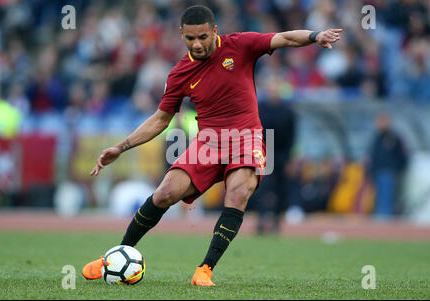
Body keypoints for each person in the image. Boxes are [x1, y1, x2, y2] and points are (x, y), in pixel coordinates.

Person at [82, 5, 342, 286]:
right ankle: (116, 255)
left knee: (238, 193)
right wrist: (121, 147)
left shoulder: (240, 45)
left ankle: (205, 269)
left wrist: (316, 35)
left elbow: (285, 38)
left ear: (214, 31)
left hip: (246, 138)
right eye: (190, 38)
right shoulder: (180, 73)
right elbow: (160, 120)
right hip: (208, 143)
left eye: (203, 37)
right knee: (164, 193)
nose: (197, 44)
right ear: (182, 34)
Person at [254, 80, 296, 235]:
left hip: (282, 155)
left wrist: (290, 159)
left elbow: (292, 136)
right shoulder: (259, 109)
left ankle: (277, 222)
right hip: (263, 154)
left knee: (281, 189)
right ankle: (261, 220)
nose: (273, 93)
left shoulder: (287, 112)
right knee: (262, 189)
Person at [368, 113, 409, 220]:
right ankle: (380, 219)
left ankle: (386, 220)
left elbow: (403, 156)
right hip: (377, 172)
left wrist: (397, 169)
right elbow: (373, 156)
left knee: (387, 198)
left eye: (382, 121)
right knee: (379, 197)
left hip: (389, 172)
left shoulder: (394, 138)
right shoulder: (376, 137)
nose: (379, 124)